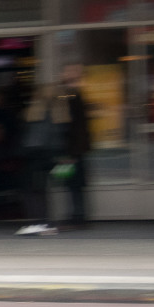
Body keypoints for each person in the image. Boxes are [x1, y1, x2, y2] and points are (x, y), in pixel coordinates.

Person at [15, 84, 70, 236]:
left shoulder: (38, 112)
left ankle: (38, 223)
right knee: (43, 190)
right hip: (53, 156)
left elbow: (35, 139)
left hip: (37, 156)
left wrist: (24, 150)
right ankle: (47, 223)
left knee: (30, 190)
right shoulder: (60, 111)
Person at [61, 64, 91, 229]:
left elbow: (72, 125)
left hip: (73, 148)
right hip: (75, 148)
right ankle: (77, 216)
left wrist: (68, 149)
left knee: (74, 183)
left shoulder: (73, 96)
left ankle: (78, 217)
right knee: (74, 183)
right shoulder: (75, 94)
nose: (65, 74)